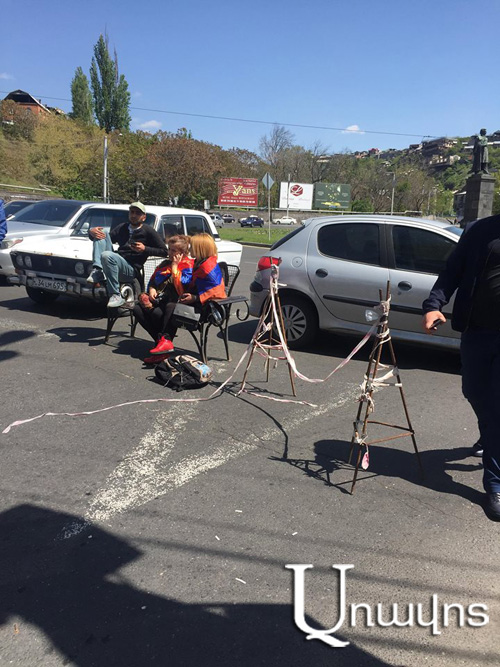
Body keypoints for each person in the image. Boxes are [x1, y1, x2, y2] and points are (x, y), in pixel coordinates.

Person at [422, 211, 500, 520]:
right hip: (477, 332)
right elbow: (452, 270)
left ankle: (495, 485)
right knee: (474, 392)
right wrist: (433, 305)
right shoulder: (480, 230)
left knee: (497, 410)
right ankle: (489, 434)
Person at [87, 202, 168, 308]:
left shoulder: (148, 231)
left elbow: (164, 251)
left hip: (131, 269)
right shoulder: (123, 227)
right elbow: (106, 239)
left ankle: (115, 294)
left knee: (107, 255)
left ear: (143, 217)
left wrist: (144, 249)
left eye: (137, 213)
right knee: (102, 233)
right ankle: (98, 270)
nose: (134, 215)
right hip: (117, 261)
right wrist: (91, 232)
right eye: (132, 212)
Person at [133, 235, 194, 364]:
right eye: (169, 249)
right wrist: (152, 289)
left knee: (158, 313)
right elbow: (153, 281)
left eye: (173, 250)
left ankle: (162, 346)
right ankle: (161, 344)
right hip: (160, 300)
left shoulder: (188, 265)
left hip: (177, 302)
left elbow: (183, 287)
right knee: (137, 309)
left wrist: (175, 268)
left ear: (182, 253)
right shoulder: (165, 263)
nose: (169, 253)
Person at [177, 233, 226, 309]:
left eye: (192, 247)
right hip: (201, 302)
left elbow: (217, 292)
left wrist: (195, 298)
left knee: (170, 307)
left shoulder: (207, 267)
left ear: (199, 249)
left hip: (210, 307)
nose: (189, 250)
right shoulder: (200, 263)